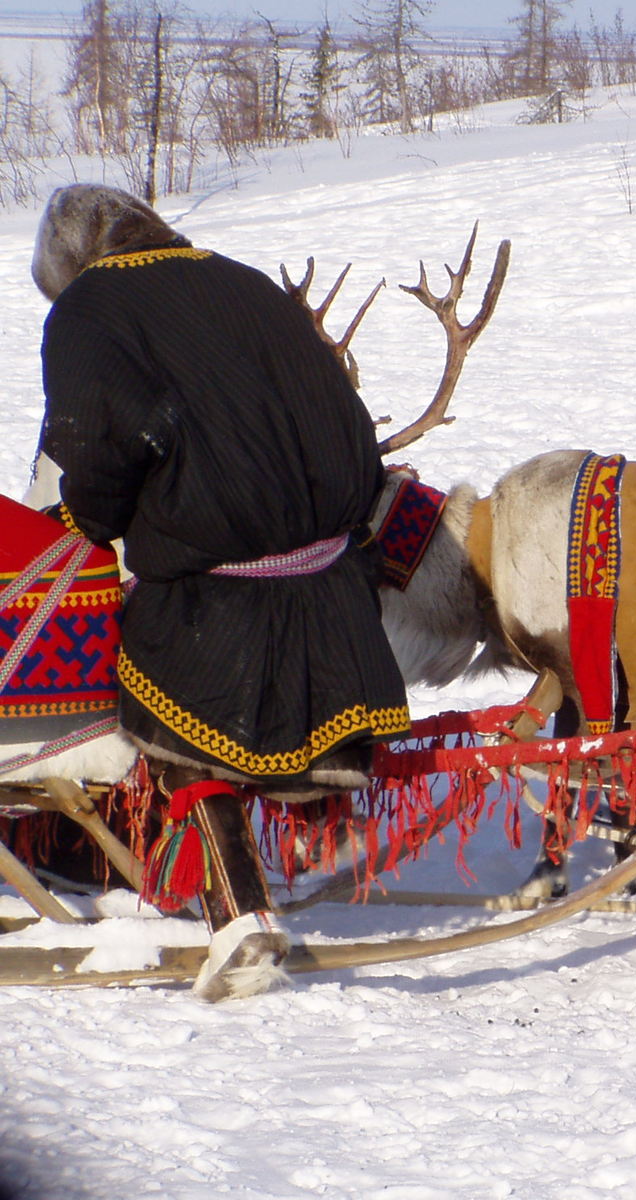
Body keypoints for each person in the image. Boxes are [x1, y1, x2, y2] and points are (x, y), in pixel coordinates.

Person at [31, 183, 410, 1001]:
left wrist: (82, 522)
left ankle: (240, 913)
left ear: (67, 262)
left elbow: (95, 453)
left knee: (158, 709)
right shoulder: (241, 280)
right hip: (337, 584)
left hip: (221, 605)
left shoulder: (90, 310)